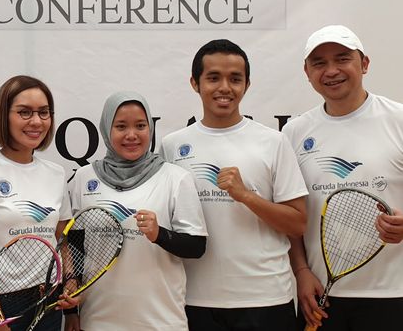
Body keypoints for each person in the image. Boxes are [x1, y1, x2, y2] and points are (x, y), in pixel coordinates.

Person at [160, 39, 307, 331]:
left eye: (235, 79)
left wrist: (245, 196)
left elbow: (298, 223)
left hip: (266, 300)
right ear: (195, 83)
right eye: (213, 78)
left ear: (247, 85)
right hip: (193, 300)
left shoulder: (273, 142)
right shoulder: (173, 146)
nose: (224, 87)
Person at [282, 25, 403, 330]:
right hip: (321, 297)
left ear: (364, 63)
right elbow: (292, 215)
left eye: (342, 59)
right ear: (307, 72)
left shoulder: (399, 120)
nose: (331, 71)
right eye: (319, 63)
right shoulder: (293, 133)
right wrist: (301, 272)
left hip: (393, 293)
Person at [67, 91, 207, 331]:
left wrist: (159, 234)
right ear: (106, 130)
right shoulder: (83, 178)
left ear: (150, 129)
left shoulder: (175, 178)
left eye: (140, 125)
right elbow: (74, 247)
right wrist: (71, 310)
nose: (131, 135)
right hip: (98, 320)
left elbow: (197, 247)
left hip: (161, 321)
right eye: (121, 126)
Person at [0, 75, 72, 331]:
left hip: (49, 301)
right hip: (2, 306)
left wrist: (71, 283)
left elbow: (62, 240)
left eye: (44, 112)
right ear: (3, 116)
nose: (36, 121)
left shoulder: (56, 173)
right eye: (24, 112)